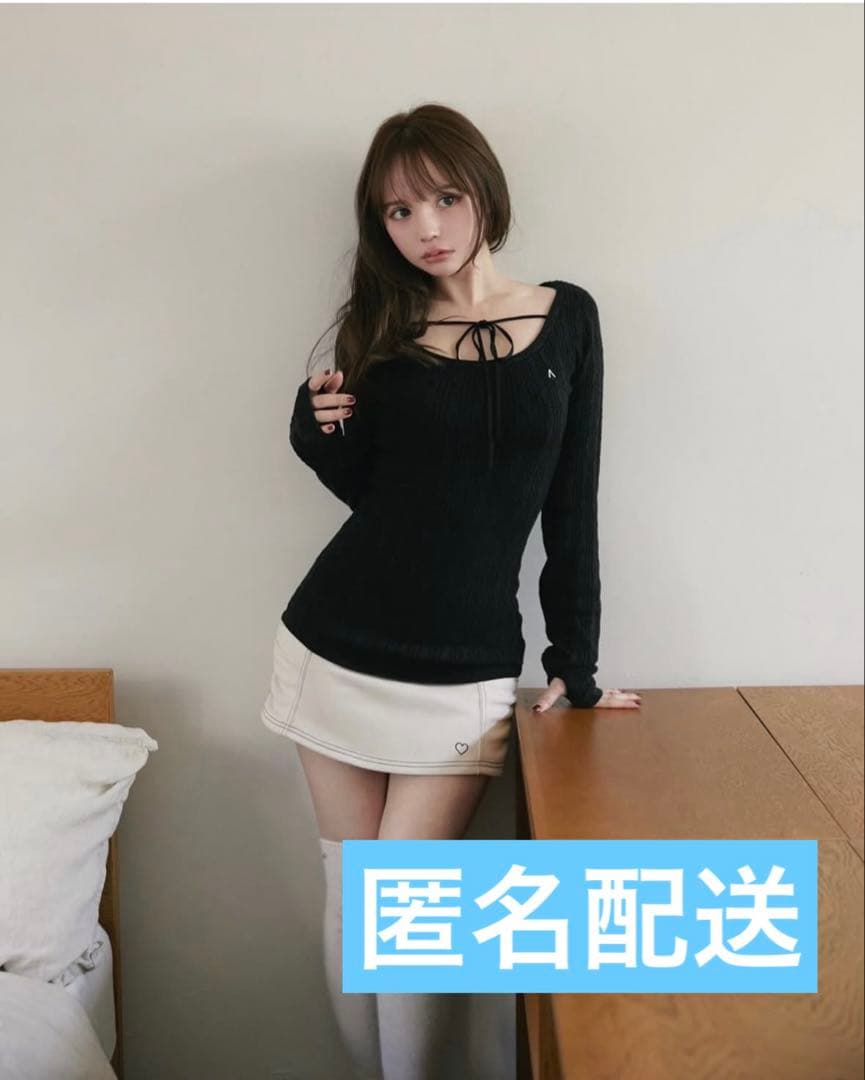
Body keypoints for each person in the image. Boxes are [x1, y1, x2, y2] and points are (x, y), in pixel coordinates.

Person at [261, 102, 641, 1080]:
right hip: (333, 641)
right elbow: (385, 500)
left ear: (483, 194)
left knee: (409, 904)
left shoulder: (567, 317)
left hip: (465, 663)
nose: (424, 227)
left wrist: (575, 663)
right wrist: (313, 436)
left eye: (443, 198)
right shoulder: (380, 332)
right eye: (398, 211)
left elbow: (572, 503)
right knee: (355, 894)